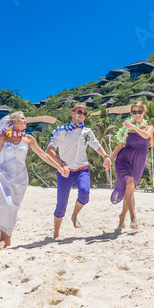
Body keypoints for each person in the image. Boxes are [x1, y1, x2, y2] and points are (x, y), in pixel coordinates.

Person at [0, 111, 69, 249]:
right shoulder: (2, 138)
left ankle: (8, 237)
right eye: (22, 119)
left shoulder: (29, 138)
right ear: (13, 122)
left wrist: (59, 166)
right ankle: (2, 238)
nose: (25, 121)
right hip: (4, 176)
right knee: (6, 204)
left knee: (13, 208)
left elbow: (43, 155)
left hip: (21, 179)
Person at [46, 102, 111, 239]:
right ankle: (56, 234)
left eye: (84, 113)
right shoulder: (62, 131)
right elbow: (50, 151)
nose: (82, 115)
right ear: (72, 113)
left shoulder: (87, 132)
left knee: (85, 193)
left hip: (82, 170)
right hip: (65, 172)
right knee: (61, 206)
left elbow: (96, 145)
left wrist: (105, 156)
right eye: (79, 112)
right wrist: (61, 164)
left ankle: (74, 215)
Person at [109, 101, 154, 230]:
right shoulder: (125, 128)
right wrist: (110, 159)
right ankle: (133, 217)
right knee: (129, 185)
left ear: (143, 112)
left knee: (130, 189)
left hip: (138, 160)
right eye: (134, 112)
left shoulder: (149, 127)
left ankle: (121, 218)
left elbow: (146, 135)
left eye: (140, 111)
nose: (137, 114)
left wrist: (133, 127)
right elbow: (119, 146)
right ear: (131, 113)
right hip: (124, 159)